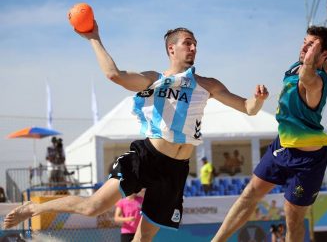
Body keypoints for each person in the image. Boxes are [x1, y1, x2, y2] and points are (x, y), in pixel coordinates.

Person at [3, 23, 269, 241]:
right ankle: (34, 208)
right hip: (147, 157)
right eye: (187, 42)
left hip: (176, 169)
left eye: (195, 43)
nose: (193, 47)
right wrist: (94, 38)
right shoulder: (155, 80)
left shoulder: (208, 84)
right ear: (171, 48)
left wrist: (257, 100)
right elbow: (114, 74)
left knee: (144, 238)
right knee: (92, 207)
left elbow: (247, 108)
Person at [212, 26, 327, 242]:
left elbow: (308, 74)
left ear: (323, 54)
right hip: (282, 146)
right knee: (249, 194)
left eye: (311, 44)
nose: (304, 46)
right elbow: (317, 64)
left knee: (293, 218)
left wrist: (323, 65)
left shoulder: (317, 82)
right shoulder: (301, 64)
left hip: (308, 160)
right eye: (304, 40)